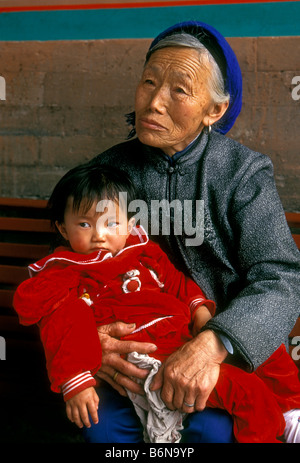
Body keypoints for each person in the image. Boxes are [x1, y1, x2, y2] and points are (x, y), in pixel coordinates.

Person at [85, 21, 300, 442]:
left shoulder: (241, 173)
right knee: (105, 432)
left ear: (214, 110)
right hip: (137, 351)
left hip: (223, 352)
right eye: (149, 81)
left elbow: (281, 277)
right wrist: (91, 341)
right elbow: (65, 269)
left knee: (212, 431)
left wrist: (213, 344)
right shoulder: (106, 175)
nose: (155, 101)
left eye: (179, 90)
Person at [13, 164, 300, 443]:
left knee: (256, 354)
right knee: (246, 393)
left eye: (111, 223)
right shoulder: (64, 272)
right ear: (63, 229)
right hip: (140, 363)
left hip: (182, 345)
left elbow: (178, 283)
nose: (99, 235)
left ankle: (288, 416)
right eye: (85, 224)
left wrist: (199, 310)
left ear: (130, 224)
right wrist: (76, 380)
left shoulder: (145, 253)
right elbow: (60, 321)